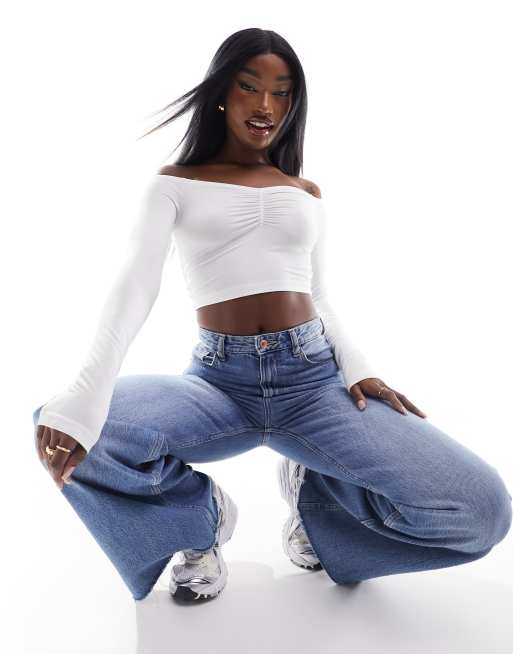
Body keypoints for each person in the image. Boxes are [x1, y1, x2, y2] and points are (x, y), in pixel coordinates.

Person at [32, 28, 512, 603]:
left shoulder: (304, 191)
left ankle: (319, 510)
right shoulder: (174, 184)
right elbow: (136, 284)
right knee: (62, 423)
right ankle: (201, 523)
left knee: (482, 511)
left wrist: (357, 366)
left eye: (281, 92)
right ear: (220, 93)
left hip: (313, 381)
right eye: (249, 86)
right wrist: (87, 395)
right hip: (218, 384)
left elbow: (319, 294)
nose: (265, 105)